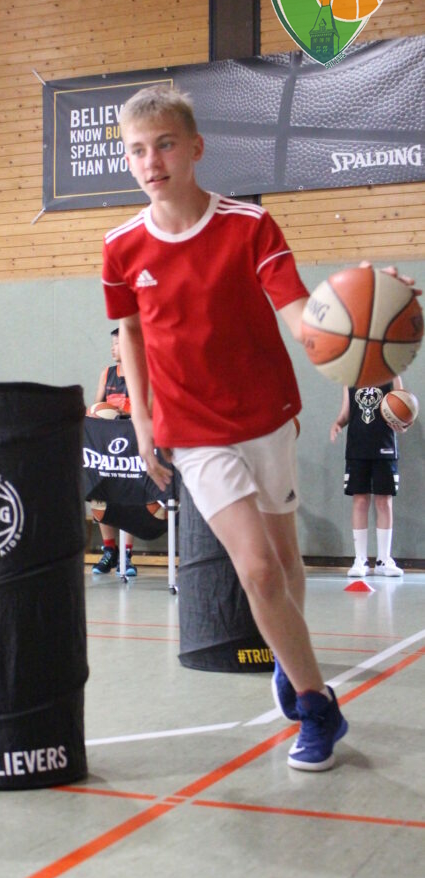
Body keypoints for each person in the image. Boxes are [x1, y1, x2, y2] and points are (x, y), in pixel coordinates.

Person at [101, 84, 352, 771]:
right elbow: (130, 334)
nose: (151, 161)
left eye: (164, 145)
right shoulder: (121, 247)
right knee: (258, 571)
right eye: (137, 150)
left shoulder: (250, 226)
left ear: (195, 148)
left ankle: (290, 661)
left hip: (265, 414)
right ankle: (317, 707)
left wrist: (357, 324)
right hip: (193, 431)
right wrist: (143, 421)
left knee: (286, 563)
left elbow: (298, 314)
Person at [330, 380, 404, 577]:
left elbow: (402, 405)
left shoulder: (391, 375)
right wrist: (338, 423)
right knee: (360, 500)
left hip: (385, 446)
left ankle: (383, 560)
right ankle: (360, 559)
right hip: (357, 447)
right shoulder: (350, 377)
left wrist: (404, 421)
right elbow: (346, 413)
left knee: (384, 501)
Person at [91, 328, 137, 577]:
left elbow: (148, 407)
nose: (113, 347)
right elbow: (96, 407)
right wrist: (98, 412)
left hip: (132, 443)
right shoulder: (107, 374)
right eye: (112, 343)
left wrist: (124, 414)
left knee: (129, 497)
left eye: (117, 343)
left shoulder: (142, 372)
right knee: (99, 495)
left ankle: (126, 555)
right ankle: (109, 550)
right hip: (106, 444)